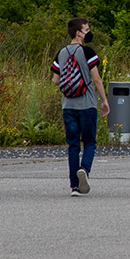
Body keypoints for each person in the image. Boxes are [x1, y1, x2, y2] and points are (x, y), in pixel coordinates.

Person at [51, 16, 109, 196]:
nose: (89, 32)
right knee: (90, 141)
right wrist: (105, 100)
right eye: (87, 29)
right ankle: (84, 169)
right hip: (87, 104)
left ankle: (74, 186)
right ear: (79, 33)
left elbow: (55, 80)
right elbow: (96, 79)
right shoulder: (88, 52)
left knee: (73, 145)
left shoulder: (60, 52)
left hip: (68, 105)